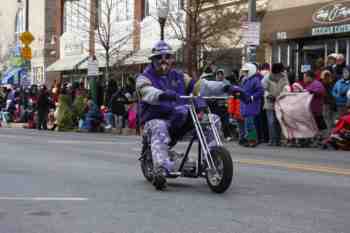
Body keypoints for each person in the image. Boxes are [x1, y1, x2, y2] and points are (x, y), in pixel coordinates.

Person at [136, 40, 240, 190]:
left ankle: (211, 159)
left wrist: (229, 87)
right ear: (152, 60)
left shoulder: (180, 76)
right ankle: (161, 169)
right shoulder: (144, 78)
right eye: (159, 57)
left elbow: (202, 86)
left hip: (180, 117)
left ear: (172, 59)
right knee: (158, 125)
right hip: (156, 121)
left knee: (212, 119)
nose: (163, 60)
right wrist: (162, 95)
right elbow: (146, 92)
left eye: (167, 57)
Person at [262, 63, 289, 146]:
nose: (282, 72)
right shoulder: (267, 77)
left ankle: (278, 140)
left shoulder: (284, 77)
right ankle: (272, 140)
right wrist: (268, 95)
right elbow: (263, 88)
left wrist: (282, 95)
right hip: (270, 102)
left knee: (279, 121)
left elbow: (287, 88)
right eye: (280, 70)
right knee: (271, 121)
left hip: (280, 102)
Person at [238, 63, 264, 147]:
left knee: (249, 124)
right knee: (247, 123)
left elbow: (260, 91)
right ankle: (248, 139)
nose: (244, 73)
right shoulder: (246, 79)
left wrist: (252, 97)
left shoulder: (255, 79)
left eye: (246, 71)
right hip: (246, 104)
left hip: (251, 104)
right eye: (244, 71)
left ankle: (253, 140)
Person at [304, 70, 326, 144]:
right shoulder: (309, 84)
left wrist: (310, 91)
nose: (304, 79)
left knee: (318, 124)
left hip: (316, 109)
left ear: (310, 77)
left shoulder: (317, 84)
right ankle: (314, 139)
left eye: (305, 77)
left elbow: (320, 91)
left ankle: (320, 139)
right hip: (311, 109)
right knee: (314, 124)